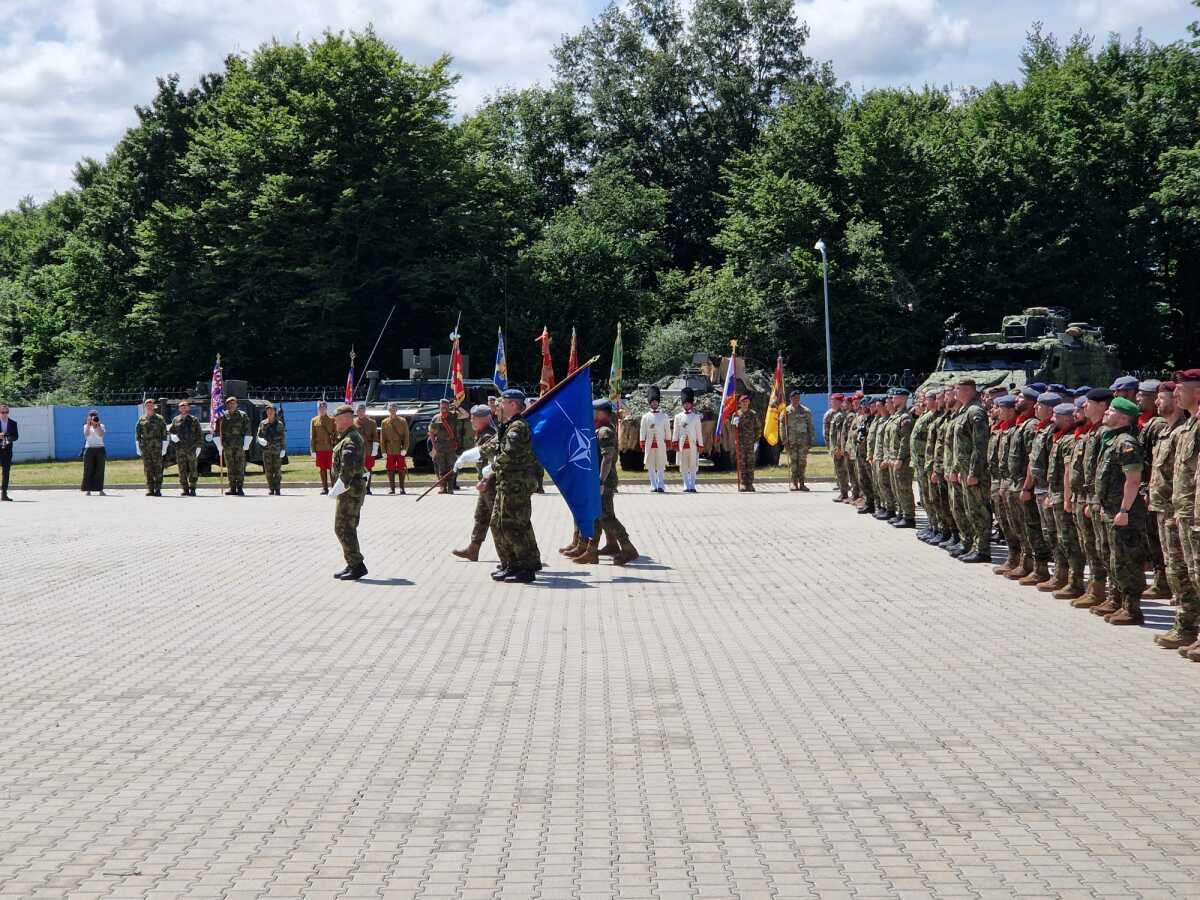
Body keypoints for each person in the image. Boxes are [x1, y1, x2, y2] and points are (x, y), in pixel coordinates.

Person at [1087, 396, 1148, 625]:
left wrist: (1125, 510)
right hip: (1109, 508)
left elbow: (1133, 479)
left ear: (1123, 417)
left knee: (1127, 559)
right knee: (1112, 557)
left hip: (1123, 511)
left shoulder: (1126, 442)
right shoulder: (1111, 439)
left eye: (1111, 410)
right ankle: (1116, 599)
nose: (1106, 413)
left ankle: (1132, 609)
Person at [1146, 381, 1197, 647]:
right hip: (1175, 510)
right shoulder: (1182, 430)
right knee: (1180, 572)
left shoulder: (1190, 429)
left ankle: (1188, 628)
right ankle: (1186, 628)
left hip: (1189, 513)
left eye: (1180, 391)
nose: (1176, 396)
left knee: (1191, 573)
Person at [571, 400, 639, 565]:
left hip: (604, 481)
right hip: (598, 480)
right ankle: (591, 551)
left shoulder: (604, 431)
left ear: (601, 412)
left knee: (606, 516)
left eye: (594, 410)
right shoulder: (599, 429)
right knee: (597, 515)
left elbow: (607, 458)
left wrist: (600, 481)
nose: (592, 413)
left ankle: (628, 548)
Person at [488, 389, 541, 583]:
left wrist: (491, 467)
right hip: (506, 482)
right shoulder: (509, 425)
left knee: (515, 526)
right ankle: (511, 564)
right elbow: (496, 446)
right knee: (498, 524)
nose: (499, 405)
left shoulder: (518, 427)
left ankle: (526, 568)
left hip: (516, 484)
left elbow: (509, 454)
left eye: (503, 402)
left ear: (512, 404)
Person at [1170, 370, 1200, 659]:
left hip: (1196, 516)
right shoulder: (1191, 425)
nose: (1175, 394)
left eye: (1180, 389)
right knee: (1192, 575)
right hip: (1187, 513)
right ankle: (1191, 631)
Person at [1043, 401, 1086, 595]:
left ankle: (1074, 581)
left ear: (1068, 419)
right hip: (1057, 493)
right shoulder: (1059, 438)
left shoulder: (1069, 440)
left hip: (1064, 495)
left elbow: (1068, 472)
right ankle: (1061, 576)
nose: (1052, 420)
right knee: (1059, 538)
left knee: (1069, 540)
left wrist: (1065, 498)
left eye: (1057, 417)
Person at [947, 379, 991, 560]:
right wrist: (958, 469)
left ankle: (983, 550)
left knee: (978, 511)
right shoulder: (963, 412)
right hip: (964, 471)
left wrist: (974, 472)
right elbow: (959, 447)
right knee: (969, 510)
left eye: (957, 390)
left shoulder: (975, 411)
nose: (954, 393)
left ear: (967, 391)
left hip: (975, 473)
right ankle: (971, 544)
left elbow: (979, 446)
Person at [1136, 380, 1172, 600]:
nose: (1139, 398)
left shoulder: (1157, 424)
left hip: (1157, 490)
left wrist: (1148, 487)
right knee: (1151, 535)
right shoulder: (1144, 422)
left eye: (1144, 395)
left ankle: (1162, 581)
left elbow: (1153, 461)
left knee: (1157, 538)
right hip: (1148, 488)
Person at [452, 405, 499, 562]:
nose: (471, 420)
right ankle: (473, 549)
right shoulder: (481, 433)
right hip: (485, 483)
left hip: (492, 483)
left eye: (474, 418)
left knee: (497, 520)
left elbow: (493, 462)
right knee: (481, 516)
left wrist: (486, 480)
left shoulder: (489, 435)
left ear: (484, 418)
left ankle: (511, 554)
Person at [329, 403, 368, 580]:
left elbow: (349, 466)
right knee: (348, 527)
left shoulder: (351, 438)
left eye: (337, 419)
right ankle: (352, 563)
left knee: (343, 527)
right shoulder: (348, 436)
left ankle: (357, 566)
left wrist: (340, 484)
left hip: (349, 490)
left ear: (345, 419)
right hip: (351, 490)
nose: (335, 422)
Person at [883, 388, 916, 527]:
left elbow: (905, 440)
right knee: (897, 488)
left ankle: (909, 517)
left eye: (894, 398)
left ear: (902, 399)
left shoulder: (905, 417)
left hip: (901, 460)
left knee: (904, 488)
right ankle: (901, 513)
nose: (892, 400)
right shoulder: (896, 416)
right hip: (893, 458)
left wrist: (900, 458)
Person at [779, 390, 815, 491]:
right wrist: (784, 440)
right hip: (791, 442)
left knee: (802, 463)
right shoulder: (785, 412)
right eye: (795, 398)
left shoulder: (806, 411)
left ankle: (802, 483)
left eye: (798, 398)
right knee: (794, 463)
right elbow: (782, 427)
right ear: (790, 399)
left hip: (803, 442)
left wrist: (811, 440)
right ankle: (794, 483)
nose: (796, 400)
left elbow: (810, 427)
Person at [672, 388, 704, 493]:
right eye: (685, 403)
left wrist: (701, 444)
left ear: (691, 404)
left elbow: (699, 432)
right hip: (682, 444)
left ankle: (692, 484)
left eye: (688, 404)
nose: (686, 405)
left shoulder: (696, 417)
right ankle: (686, 484)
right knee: (684, 465)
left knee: (693, 465)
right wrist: (674, 442)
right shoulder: (678, 417)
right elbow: (676, 431)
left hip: (693, 444)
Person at [218, 396, 251, 496]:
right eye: (229, 403)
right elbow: (218, 430)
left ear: (237, 404)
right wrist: (219, 443)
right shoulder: (222, 415)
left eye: (233, 403)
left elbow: (248, 429)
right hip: (227, 445)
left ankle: (240, 488)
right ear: (227, 405)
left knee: (240, 466)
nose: (231, 405)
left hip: (239, 445)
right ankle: (232, 488)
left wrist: (247, 442)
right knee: (230, 467)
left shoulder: (242, 415)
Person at [639, 386, 670, 492]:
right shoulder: (645, 417)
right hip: (649, 444)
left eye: (656, 402)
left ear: (658, 403)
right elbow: (642, 431)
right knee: (651, 465)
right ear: (650, 403)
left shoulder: (664, 416)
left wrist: (668, 440)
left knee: (661, 464)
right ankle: (653, 484)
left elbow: (667, 430)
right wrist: (642, 442)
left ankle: (661, 484)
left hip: (661, 444)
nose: (654, 404)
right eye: (652, 402)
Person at [168, 400, 203, 496]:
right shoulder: (175, 419)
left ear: (188, 408)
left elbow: (199, 434)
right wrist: (172, 436)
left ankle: (193, 489)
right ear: (179, 409)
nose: (183, 408)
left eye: (185, 406)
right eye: (181, 406)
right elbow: (171, 431)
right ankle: (185, 489)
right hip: (180, 449)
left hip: (191, 448)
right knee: (181, 469)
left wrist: (199, 446)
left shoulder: (194, 419)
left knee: (193, 469)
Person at [134, 399, 168, 496]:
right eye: (147, 405)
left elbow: (164, 433)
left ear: (154, 407)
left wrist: (164, 447)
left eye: (151, 405)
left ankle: (158, 489)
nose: (149, 407)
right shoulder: (141, 419)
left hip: (157, 448)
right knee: (148, 469)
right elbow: (137, 434)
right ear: (145, 407)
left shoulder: (159, 419)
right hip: (145, 448)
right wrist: (137, 447)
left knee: (158, 469)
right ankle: (150, 489)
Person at [730, 394, 761, 492]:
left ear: (749, 403)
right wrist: (734, 424)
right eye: (743, 402)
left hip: (750, 443)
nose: (745, 404)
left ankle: (750, 484)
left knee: (750, 463)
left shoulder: (753, 414)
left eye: (746, 402)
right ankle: (743, 483)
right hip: (740, 443)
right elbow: (732, 430)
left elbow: (758, 428)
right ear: (739, 404)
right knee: (741, 463)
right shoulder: (736, 414)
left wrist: (756, 441)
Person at [428, 398, 460, 494]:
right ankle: (443, 487)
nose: (444, 409)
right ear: (439, 407)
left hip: (450, 445)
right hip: (440, 445)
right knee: (441, 468)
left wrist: (457, 405)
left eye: (446, 407)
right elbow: (432, 433)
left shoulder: (453, 416)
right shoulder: (436, 418)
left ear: (448, 407)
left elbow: (465, 415)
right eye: (442, 407)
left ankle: (450, 487)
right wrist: (434, 445)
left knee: (451, 467)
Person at [380, 402, 410, 494]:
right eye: (390, 409)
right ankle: (392, 488)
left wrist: (405, 448)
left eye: (394, 409)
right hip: (389, 449)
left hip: (399, 448)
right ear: (388, 410)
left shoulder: (402, 421)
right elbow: (382, 437)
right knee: (390, 469)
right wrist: (383, 451)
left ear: (396, 410)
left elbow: (406, 436)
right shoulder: (384, 422)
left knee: (401, 468)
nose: (392, 411)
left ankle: (402, 488)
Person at [256, 404, 286, 495]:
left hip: (277, 450)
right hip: (266, 451)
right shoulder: (263, 423)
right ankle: (271, 488)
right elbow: (258, 436)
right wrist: (260, 440)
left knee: (277, 470)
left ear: (275, 412)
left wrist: (283, 449)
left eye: (271, 411)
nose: (269, 412)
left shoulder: (280, 424)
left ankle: (277, 488)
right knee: (268, 470)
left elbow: (283, 438)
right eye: (268, 411)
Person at [310, 400, 338, 494]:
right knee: (322, 469)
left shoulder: (332, 420)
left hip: (330, 448)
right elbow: (312, 436)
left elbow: (336, 434)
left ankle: (334, 487)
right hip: (319, 448)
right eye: (320, 408)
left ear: (326, 409)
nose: (322, 409)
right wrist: (313, 450)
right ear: (318, 409)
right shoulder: (314, 420)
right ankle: (324, 488)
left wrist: (336, 446)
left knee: (332, 469)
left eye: (324, 408)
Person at [354, 404, 379, 495]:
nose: (360, 413)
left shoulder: (371, 422)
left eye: (362, 411)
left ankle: (367, 488)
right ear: (356, 412)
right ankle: (359, 488)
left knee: (368, 469)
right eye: (358, 411)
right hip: (357, 450)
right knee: (358, 470)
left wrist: (375, 448)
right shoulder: (353, 422)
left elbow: (375, 437)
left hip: (368, 449)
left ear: (365, 412)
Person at [81, 410, 107, 496]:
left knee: (100, 470)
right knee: (88, 470)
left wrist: (97, 424)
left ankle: (100, 490)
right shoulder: (86, 426)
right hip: (89, 449)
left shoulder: (101, 425)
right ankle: (88, 490)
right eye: (92, 415)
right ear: (89, 417)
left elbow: (100, 435)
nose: (93, 417)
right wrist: (89, 424)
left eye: (95, 415)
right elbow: (86, 434)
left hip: (100, 449)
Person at [0, 403, 15, 501]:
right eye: (2, 412)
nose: (5, 414)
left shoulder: (13, 423)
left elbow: (16, 436)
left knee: (6, 473)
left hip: (7, 451)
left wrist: (8, 438)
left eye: (6, 412)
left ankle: (4, 494)